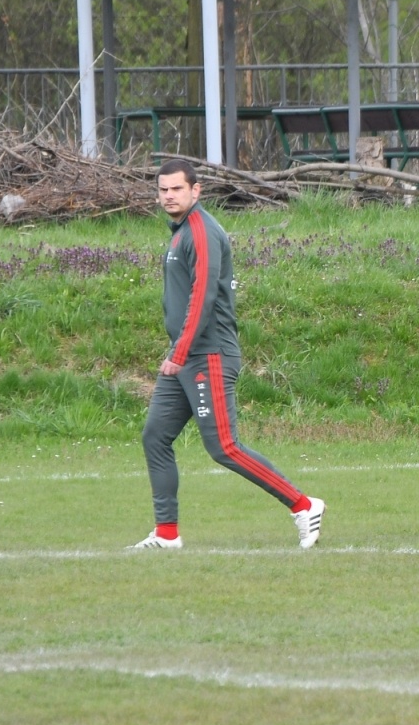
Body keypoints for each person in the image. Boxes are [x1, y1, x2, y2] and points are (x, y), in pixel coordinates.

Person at [135, 159, 325, 550]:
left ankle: (304, 505)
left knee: (224, 447)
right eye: (163, 190)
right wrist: (177, 352)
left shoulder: (202, 231)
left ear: (196, 190)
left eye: (176, 189)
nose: (168, 196)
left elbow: (202, 296)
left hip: (208, 356)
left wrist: (181, 351)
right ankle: (167, 534)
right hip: (184, 356)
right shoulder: (180, 232)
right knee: (155, 436)